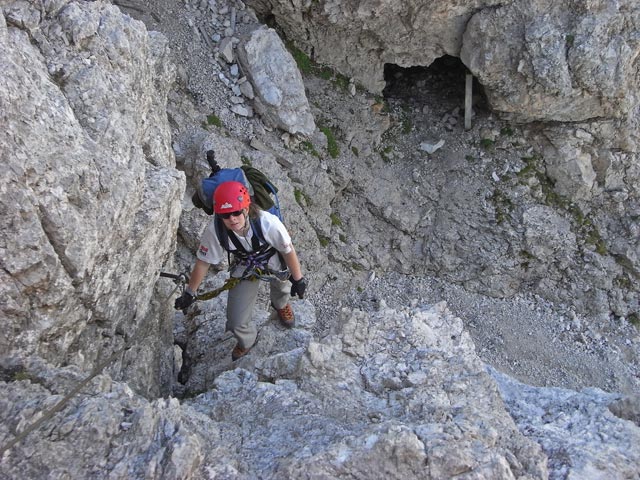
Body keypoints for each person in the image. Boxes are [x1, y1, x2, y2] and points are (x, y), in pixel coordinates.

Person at [174, 181, 307, 361]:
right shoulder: (215, 231)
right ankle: (246, 341)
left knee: (281, 288)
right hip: (245, 265)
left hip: (273, 259)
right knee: (236, 320)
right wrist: (190, 292)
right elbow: (203, 262)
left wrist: (298, 280)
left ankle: (281, 305)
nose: (232, 219)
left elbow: (287, 250)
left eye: (236, 212)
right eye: (226, 215)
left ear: (246, 208)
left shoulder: (268, 223)